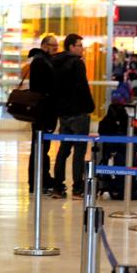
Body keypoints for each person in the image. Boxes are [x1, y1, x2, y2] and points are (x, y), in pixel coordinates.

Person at [49, 34, 95, 199]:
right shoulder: (77, 63)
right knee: (79, 150)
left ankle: (57, 187)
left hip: (63, 113)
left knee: (63, 149)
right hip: (78, 112)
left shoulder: (55, 63)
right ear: (71, 47)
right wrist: (90, 106)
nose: (82, 48)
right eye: (79, 45)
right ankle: (77, 188)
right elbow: (83, 87)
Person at [24, 35, 58, 194]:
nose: (55, 49)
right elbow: (48, 87)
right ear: (45, 45)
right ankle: (38, 181)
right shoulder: (41, 62)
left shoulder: (41, 60)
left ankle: (41, 180)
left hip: (43, 111)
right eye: (53, 46)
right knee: (40, 147)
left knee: (42, 148)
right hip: (42, 112)